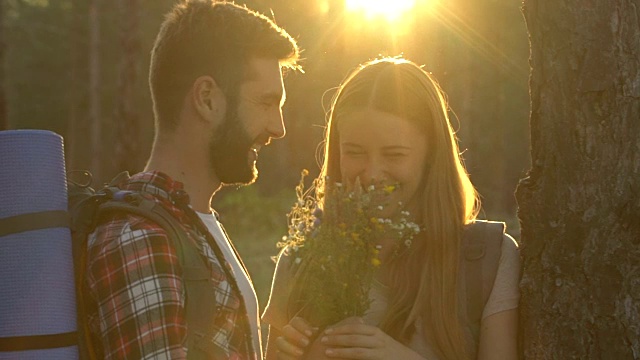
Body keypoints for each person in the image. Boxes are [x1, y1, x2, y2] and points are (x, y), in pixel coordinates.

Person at [262, 57, 520, 360]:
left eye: (394, 155)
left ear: (431, 156)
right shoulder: (301, 260)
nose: (372, 173)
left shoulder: (486, 258)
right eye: (355, 152)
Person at [84, 1, 300, 359]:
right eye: (266, 101)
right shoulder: (143, 240)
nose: (278, 128)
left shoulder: (188, 223)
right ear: (207, 99)